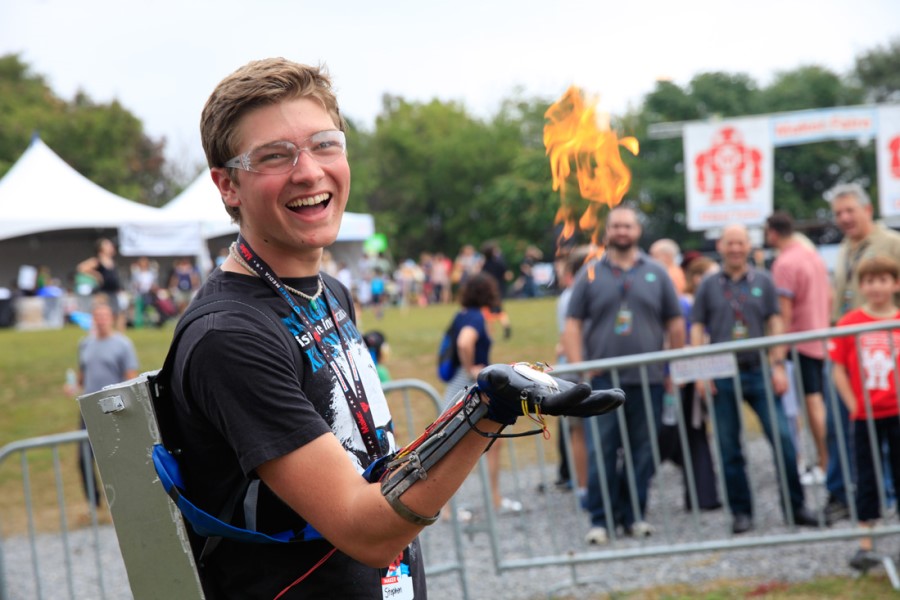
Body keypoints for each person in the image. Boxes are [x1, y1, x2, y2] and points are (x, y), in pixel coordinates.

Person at [162, 58, 621, 599]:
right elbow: (366, 528)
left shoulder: (330, 294)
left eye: (325, 144)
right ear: (228, 186)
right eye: (275, 156)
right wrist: (485, 411)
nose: (309, 171)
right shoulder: (230, 336)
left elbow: (371, 464)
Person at [562, 205, 685, 544]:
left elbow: (675, 323)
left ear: (637, 231)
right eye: (616, 225)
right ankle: (601, 520)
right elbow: (572, 325)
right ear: (607, 231)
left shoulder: (657, 272)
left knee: (642, 451)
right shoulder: (590, 271)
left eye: (627, 226)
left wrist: (673, 366)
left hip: (648, 380)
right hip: (601, 381)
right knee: (602, 450)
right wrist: (579, 370)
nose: (621, 231)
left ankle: (634, 516)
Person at [691, 224, 820, 534]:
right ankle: (741, 512)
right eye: (730, 242)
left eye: (741, 242)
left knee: (784, 439)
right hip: (722, 372)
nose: (736, 248)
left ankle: (795, 506)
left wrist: (778, 365)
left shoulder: (764, 280)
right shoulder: (708, 285)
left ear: (750, 246)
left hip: (759, 369)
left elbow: (776, 322)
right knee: (728, 446)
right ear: (720, 246)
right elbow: (697, 328)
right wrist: (700, 370)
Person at [825, 182, 900, 523]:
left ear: (867, 210)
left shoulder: (891, 244)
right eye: (838, 213)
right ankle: (851, 498)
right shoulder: (845, 248)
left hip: (886, 350)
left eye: (849, 211)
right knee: (849, 428)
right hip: (851, 353)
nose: (843, 218)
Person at [829, 255, 900, 571]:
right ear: (861, 286)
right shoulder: (850, 323)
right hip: (865, 414)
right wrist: (852, 402)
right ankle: (865, 544)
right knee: (867, 476)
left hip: (896, 410)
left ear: (895, 283)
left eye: (882, 280)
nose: (876, 287)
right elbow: (838, 368)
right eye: (869, 281)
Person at [442, 272, 522, 515]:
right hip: (468, 385)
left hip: (462, 383)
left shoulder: (462, 314)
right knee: (454, 445)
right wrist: (472, 370)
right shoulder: (476, 317)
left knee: (489, 440)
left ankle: (493, 498)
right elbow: (465, 343)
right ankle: (447, 509)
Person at [765, 212, 832, 485]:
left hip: (799, 343)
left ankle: (826, 463)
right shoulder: (812, 255)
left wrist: (777, 356)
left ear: (772, 233)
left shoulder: (785, 262)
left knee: (811, 403)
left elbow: (784, 314)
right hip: (820, 337)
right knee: (815, 402)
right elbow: (829, 295)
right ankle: (825, 461)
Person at [658, 254, 721, 512]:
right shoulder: (685, 305)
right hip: (681, 379)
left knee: (685, 435)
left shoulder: (686, 306)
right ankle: (703, 495)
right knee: (685, 436)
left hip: (683, 380)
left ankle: (702, 496)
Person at [64, 301, 138, 507]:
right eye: (98, 317)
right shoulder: (85, 343)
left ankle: (125, 499)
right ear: (93, 319)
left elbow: (130, 379)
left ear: (112, 318)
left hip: (113, 408)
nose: (102, 320)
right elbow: (82, 375)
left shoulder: (123, 344)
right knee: (83, 458)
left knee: (117, 457)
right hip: (88, 410)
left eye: (105, 316)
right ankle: (94, 504)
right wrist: (73, 387)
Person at [76, 238, 125, 330]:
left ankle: (117, 337)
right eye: (107, 245)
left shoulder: (112, 261)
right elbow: (81, 267)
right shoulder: (97, 261)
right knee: (102, 315)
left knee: (118, 315)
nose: (110, 247)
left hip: (113, 292)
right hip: (103, 293)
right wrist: (96, 274)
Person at [479, 241, 512, 339]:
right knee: (499, 310)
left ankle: (489, 333)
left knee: (488, 311)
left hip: (489, 290)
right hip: (500, 289)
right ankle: (506, 325)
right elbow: (507, 275)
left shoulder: (484, 266)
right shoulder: (499, 263)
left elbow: (483, 278)